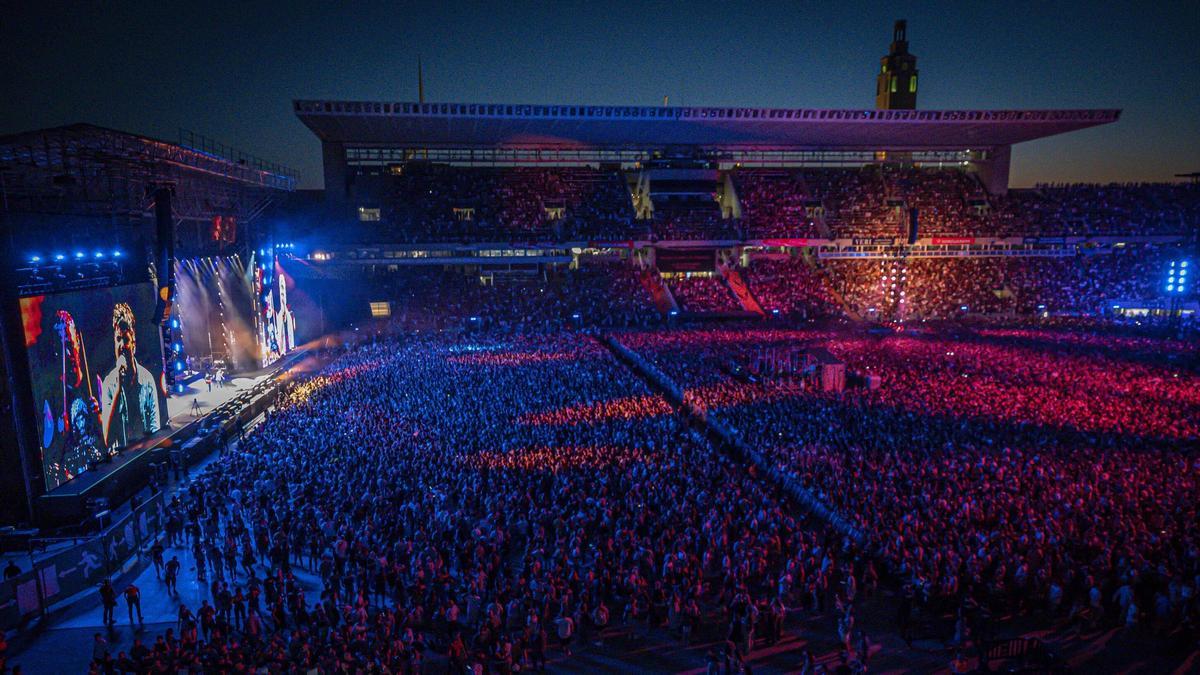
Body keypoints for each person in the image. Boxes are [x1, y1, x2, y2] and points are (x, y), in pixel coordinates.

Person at [101, 303, 161, 449]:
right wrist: (118, 389)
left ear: (133, 344)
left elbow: (155, 427)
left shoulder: (147, 380)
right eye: (118, 340)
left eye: (126, 340)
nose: (121, 345)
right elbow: (107, 440)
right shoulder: (109, 383)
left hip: (145, 450)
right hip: (123, 457)